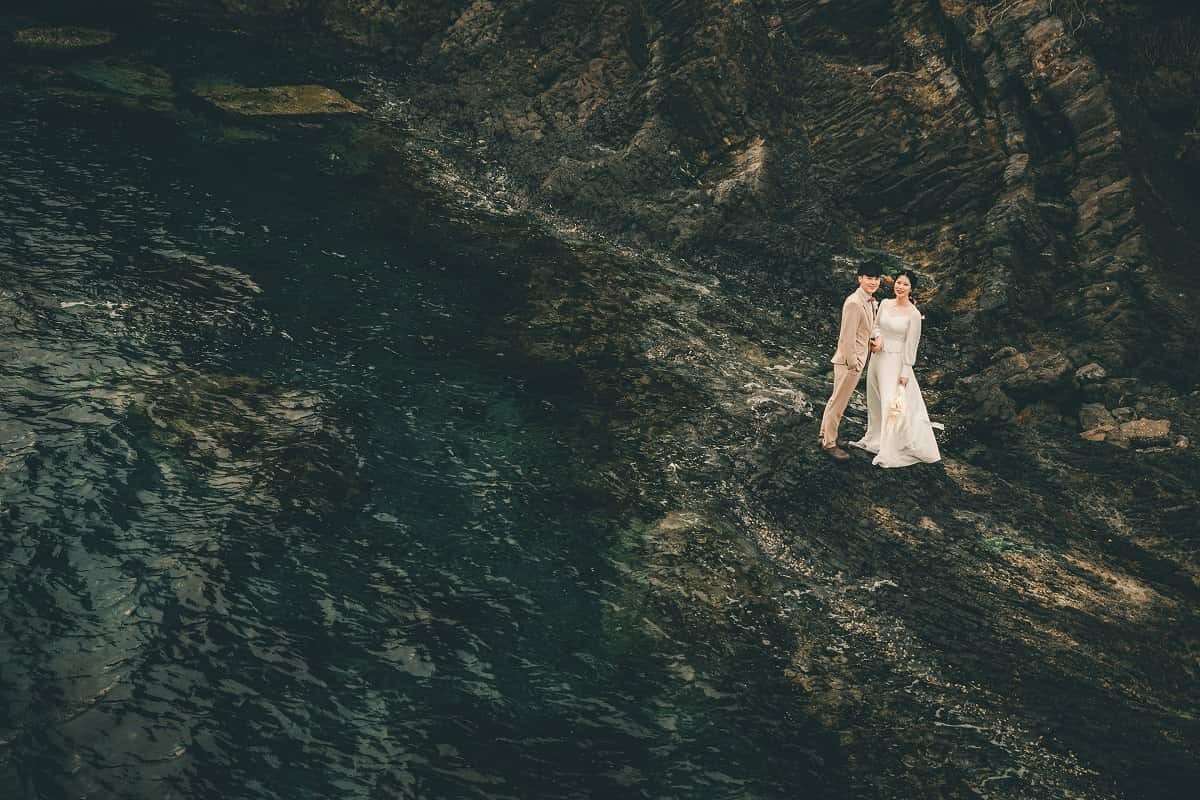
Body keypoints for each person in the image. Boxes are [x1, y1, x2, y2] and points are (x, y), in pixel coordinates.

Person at [850, 270, 941, 467]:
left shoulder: (914, 314)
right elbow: (875, 326)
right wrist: (878, 338)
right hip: (878, 357)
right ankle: (874, 438)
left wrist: (906, 372)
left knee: (891, 404)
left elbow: (912, 344)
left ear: (911, 289)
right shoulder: (884, 303)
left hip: (896, 361)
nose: (900, 287)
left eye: (905, 284)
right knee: (875, 399)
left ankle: (889, 448)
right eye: (898, 282)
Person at [819, 263, 882, 460]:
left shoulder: (870, 301)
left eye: (876, 278)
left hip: (856, 359)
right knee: (839, 403)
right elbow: (846, 337)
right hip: (849, 361)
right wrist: (854, 362)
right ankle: (829, 444)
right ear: (859, 279)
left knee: (835, 400)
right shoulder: (854, 302)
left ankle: (824, 435)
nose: (873, 282)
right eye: (869, 278)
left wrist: (874, 339)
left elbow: (867, 328)